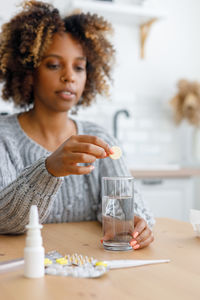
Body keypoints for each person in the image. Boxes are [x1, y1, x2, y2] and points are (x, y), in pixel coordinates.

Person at [0, 0, 154, 249]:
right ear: (29, 71)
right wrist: (49, 169)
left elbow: (124, 208)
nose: (69, 76)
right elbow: (4, 220)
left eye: (79, 67)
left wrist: (135, 222)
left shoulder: (100, 138)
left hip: (87, 268)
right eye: (53, 64)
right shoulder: (3, 138)